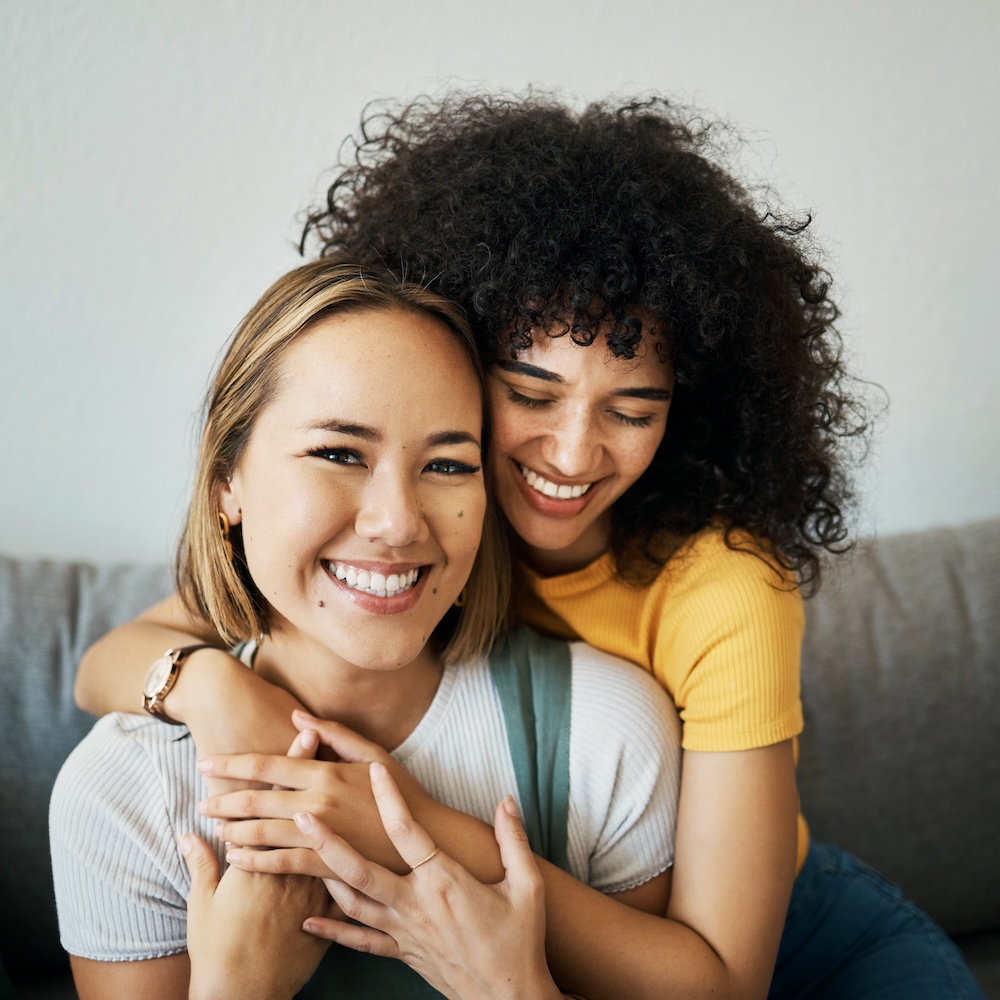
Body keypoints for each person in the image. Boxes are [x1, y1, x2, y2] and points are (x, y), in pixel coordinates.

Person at [74, 94, 985, 998]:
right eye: (533, 394)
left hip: (800, 944)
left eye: (632, 411)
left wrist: (407, 826)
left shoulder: (726, 591)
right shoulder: (414, 526)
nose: (572, 455)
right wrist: (212, 688)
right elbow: (117, 658)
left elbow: (718, 980)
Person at [50, 261, 681, 1000]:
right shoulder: (126, 792)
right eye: (339, 453)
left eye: (447, 464)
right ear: (229, 482)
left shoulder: (606, 732)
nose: (397, 523)